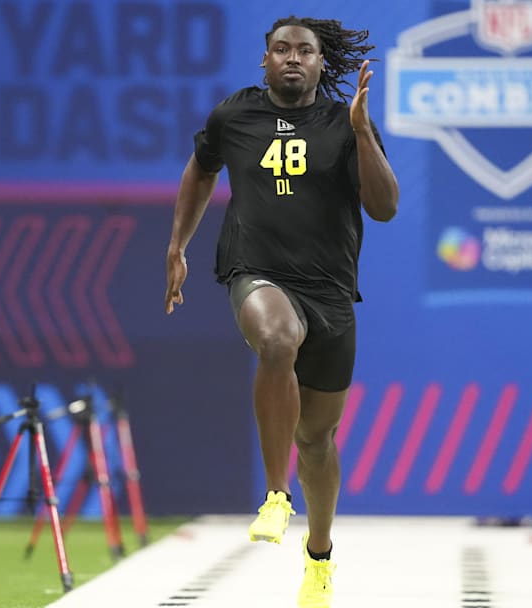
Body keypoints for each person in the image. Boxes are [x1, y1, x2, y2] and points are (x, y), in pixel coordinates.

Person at [164, 15, 398, 608]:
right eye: (280, 50)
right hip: (255, 270)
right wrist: (178, 246)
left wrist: (364, 132)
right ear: (264, 60)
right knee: (276, 339)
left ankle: (318, 559)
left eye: (304, 51)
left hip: (332, 293)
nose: (292, 58)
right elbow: (200, 169)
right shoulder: (233, 116)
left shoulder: (343, 125)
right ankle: (274, 496)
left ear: (322, 63)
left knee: (317, 439)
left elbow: (385, 207)